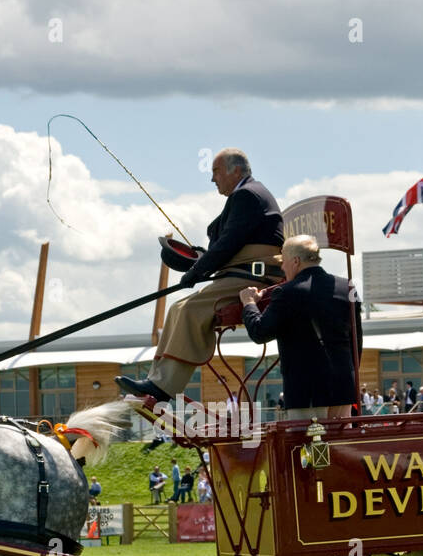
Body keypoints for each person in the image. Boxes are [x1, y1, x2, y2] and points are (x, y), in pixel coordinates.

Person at [116, 148, 285, 403]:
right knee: (176, 309)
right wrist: (201, 259)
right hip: (241, 271)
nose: (213, 179)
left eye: (216, 171)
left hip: (254, 278)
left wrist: (196, 270)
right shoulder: (248, 194)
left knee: (189, 310)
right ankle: (155, 380)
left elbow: (228, 243)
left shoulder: (247, 195)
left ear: (235, 170)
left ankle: (163, 387)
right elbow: (229, 243)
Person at [238, 234, 362, 422]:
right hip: (343, 386)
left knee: (307, 449)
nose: (282, 267)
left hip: (306, 391)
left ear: (295, 261)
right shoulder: (348, 287)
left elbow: (259, 332)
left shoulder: (286, 293)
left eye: (284, 261)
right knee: (338, 448)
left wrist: (249, 304)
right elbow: (356, 340)